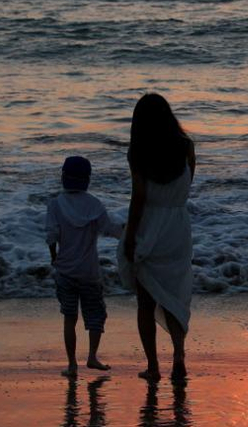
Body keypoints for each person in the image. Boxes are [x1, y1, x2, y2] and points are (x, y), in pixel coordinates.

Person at [118, 93, 196, 381]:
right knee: (176, 296)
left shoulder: (137, 152)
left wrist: (130, 236)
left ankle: (152, 367)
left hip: (150, 226)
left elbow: (138, 198)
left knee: (146, 301)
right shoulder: (187, 147)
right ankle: (178, 355)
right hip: (177, 228)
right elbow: (189, 185)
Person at [46, 155, 123, 378]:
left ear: (63, 177)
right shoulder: (94, 204)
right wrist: (131, 233)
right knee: (96, 315)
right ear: (87, 179)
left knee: (70, 318)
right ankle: (92, 356)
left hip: (65, 271)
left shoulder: (55, 204)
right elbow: (109, 229)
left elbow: (51, 235)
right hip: (89, 272)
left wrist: (54, 257)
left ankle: (71, 364)